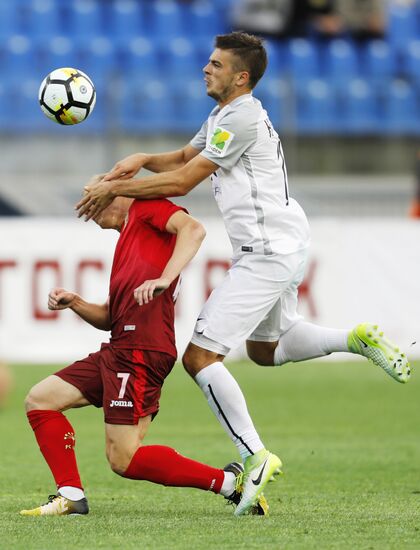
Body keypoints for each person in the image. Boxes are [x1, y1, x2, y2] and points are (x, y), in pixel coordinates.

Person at [76, 32, 411, 516]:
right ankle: (354, 340)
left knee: (199, 357)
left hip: (267, 250)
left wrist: (117, 189)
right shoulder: (222, 116)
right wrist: (142, 161)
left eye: (215, 64)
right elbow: (181, 160)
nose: (205, 69)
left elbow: (185, 182)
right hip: (282, 241)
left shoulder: (243, 117)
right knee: (265, 350)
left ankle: (254, 456)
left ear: (241, 77)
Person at [20, 191, 268, 517]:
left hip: (140, 351)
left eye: (92, 205)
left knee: (123, 458)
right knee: (40, 400)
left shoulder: (148, 208)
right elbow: (111, 316)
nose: (91, 216)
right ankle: (70, 495)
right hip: (120, 348)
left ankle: (228, 483)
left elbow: (194, 229)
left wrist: (166, 277)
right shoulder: (127, 241)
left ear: (113, 193)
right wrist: (76, 302)